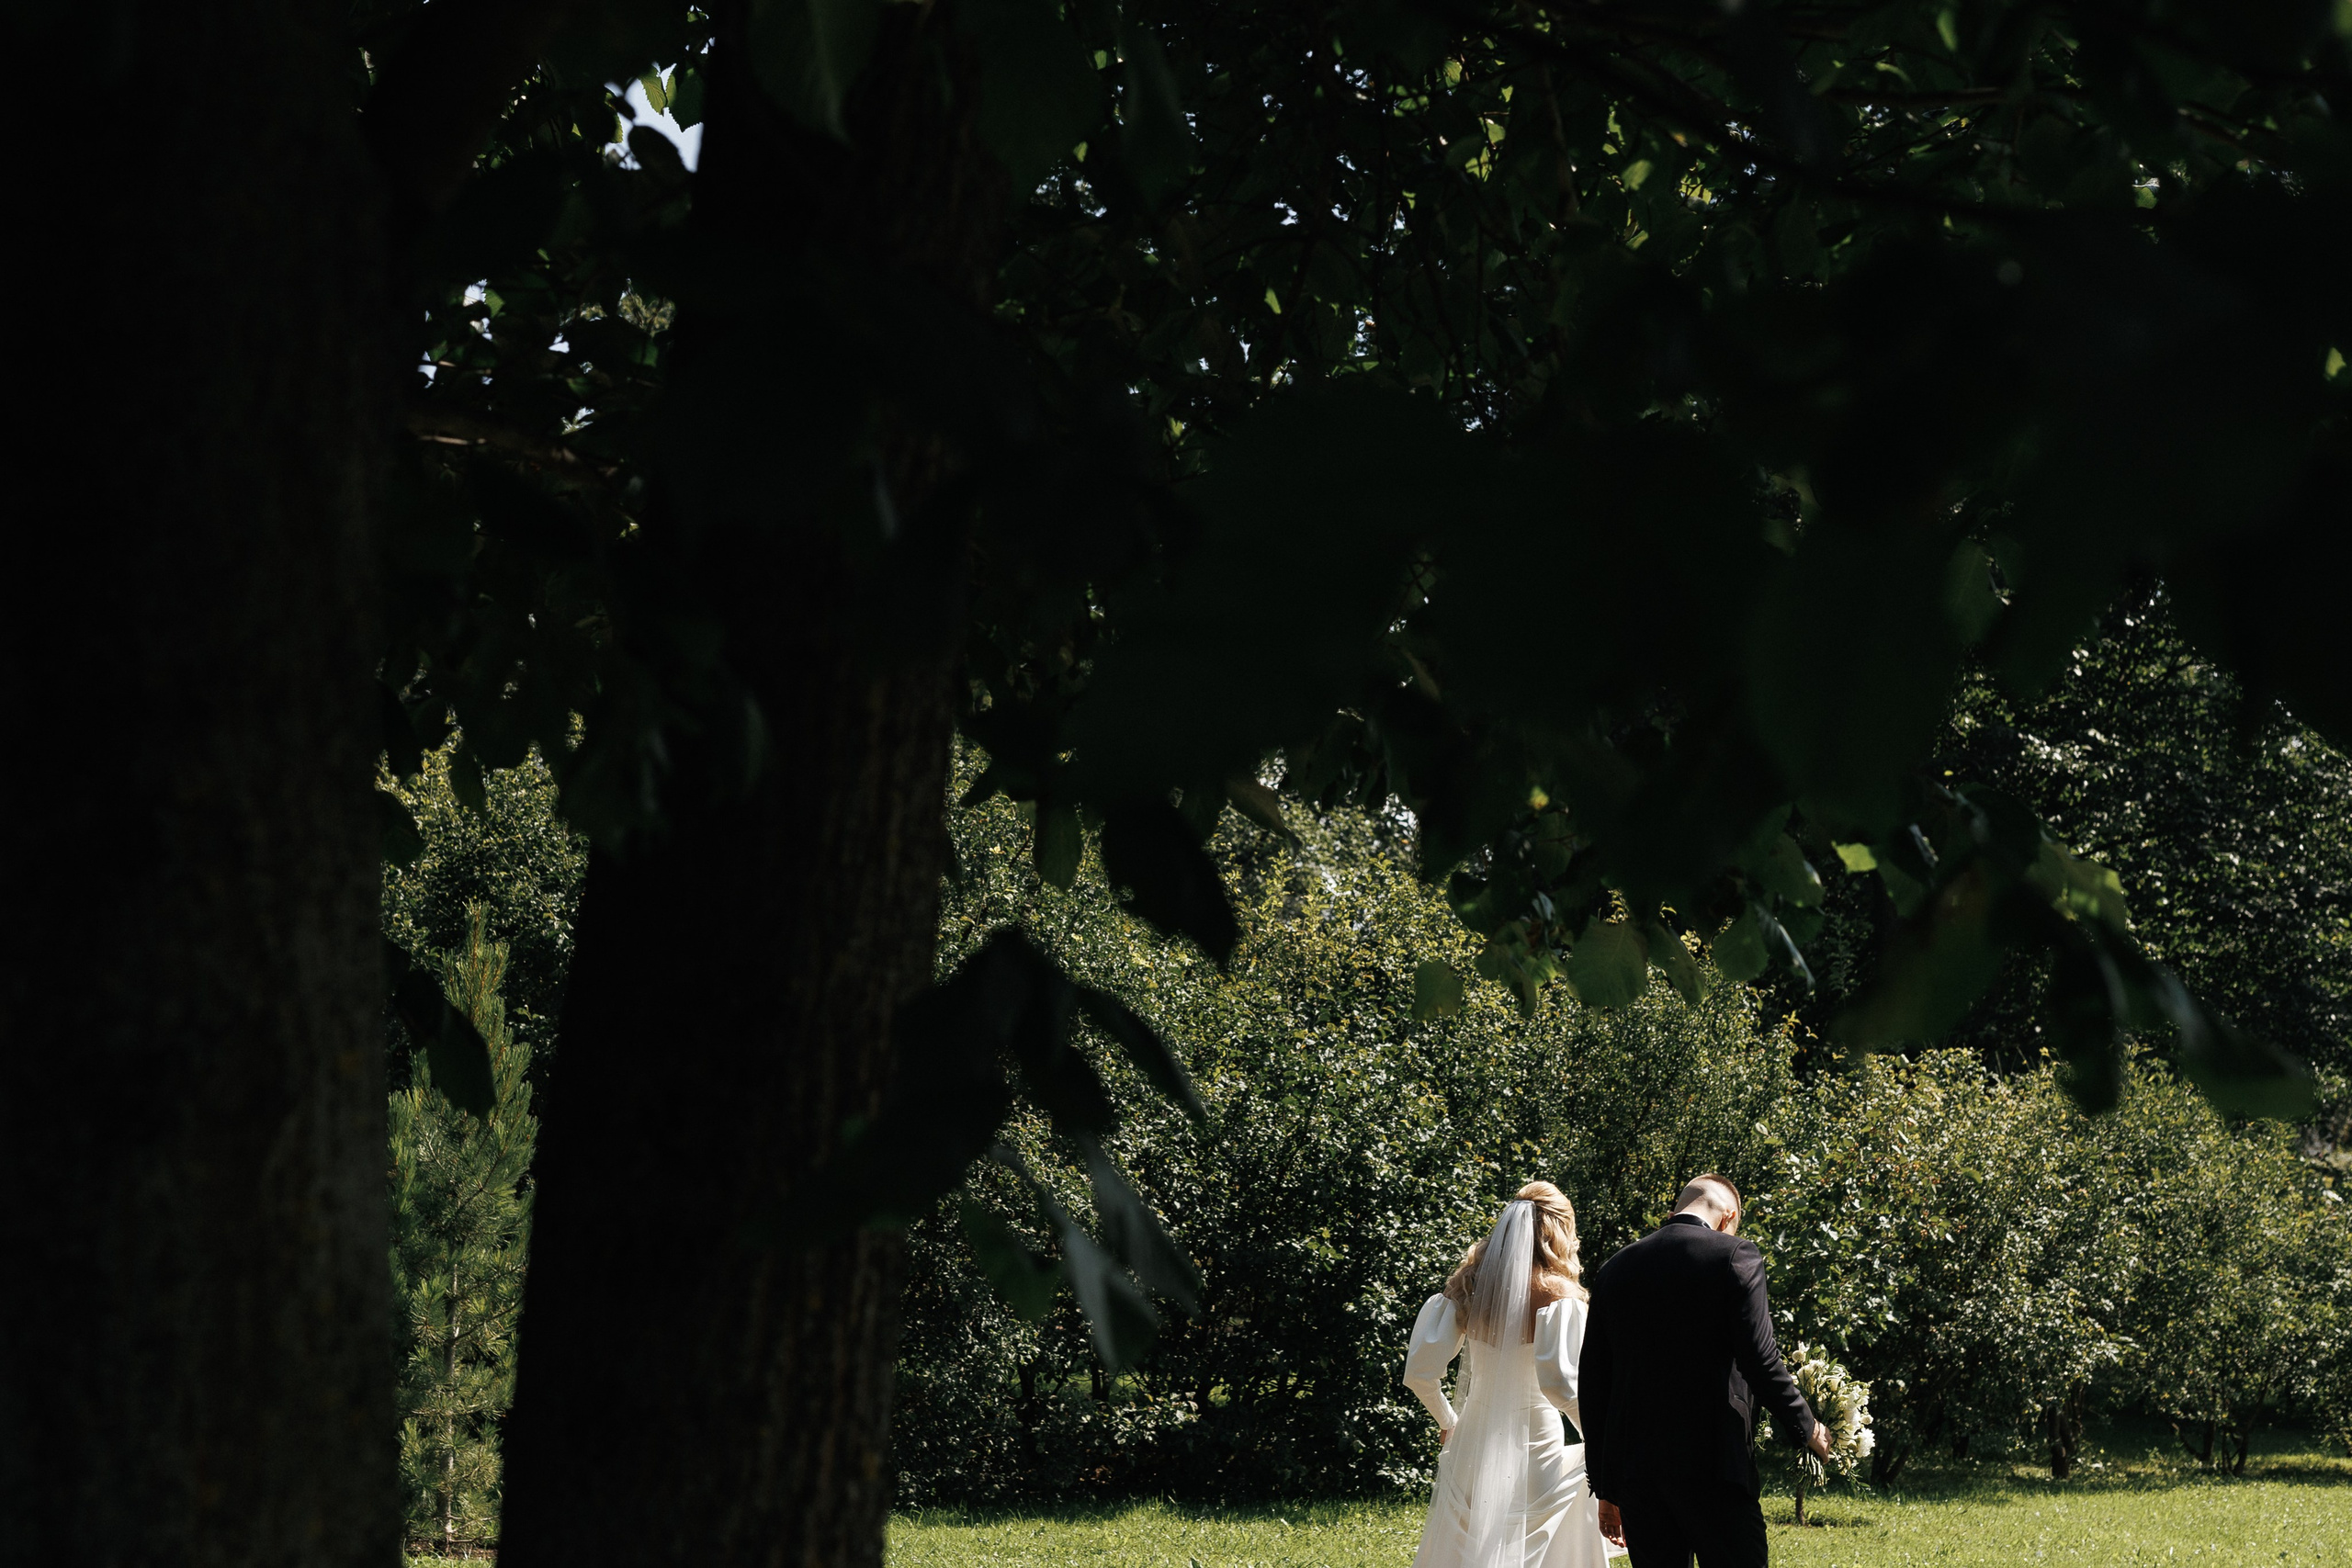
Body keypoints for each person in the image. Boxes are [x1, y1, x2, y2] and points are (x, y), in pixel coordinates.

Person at [1577, 1174, 1829, 1568]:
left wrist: (1607, 1486)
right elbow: (1760, 1359)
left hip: (1639, 1473)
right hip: (1715, 1466)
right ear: (1728, 1218)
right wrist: (1807, 1426)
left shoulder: (1615, 1268)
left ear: (1675, 1210)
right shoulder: (1736, 1255)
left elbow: (1593, 1383)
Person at [1402, 1181, 1616, 1568]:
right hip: (1536, 1442)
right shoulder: (1558, 1296)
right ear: (1558, 1230)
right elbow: (1564, 1387)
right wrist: (1603, 1448)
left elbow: (1420, 1373)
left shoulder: (1468, 1286)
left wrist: (1448, 1420)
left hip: (1472, 1438)